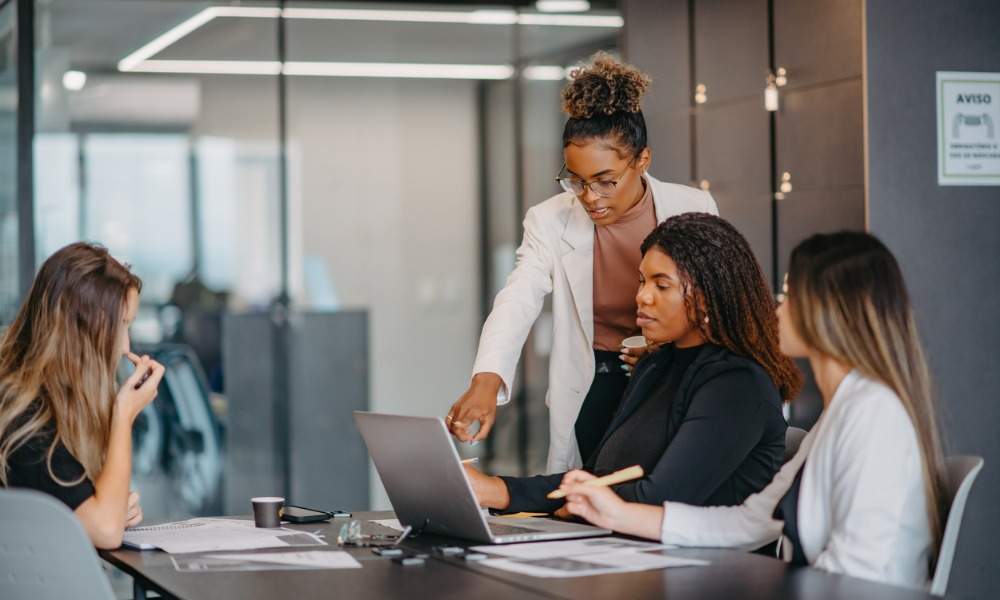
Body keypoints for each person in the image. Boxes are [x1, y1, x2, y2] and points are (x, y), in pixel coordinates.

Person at [558, 231, 948, 590]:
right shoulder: (844, 411)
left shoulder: (874, 415)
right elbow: (750, 521)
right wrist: (612, 513)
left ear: (828, 311)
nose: (778, 308)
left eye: (790, 295)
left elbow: (857, 574)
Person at [448, 52, 718, 472]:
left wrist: (667, 343)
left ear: (642, 161)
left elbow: (718, 303)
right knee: (588, 492)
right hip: (596, 378)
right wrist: (487, 379)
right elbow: (517, 298)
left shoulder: (693, 207)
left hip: (673, 375)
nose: (590, 197)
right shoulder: (549, 219)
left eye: (606, 181)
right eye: (576, 180)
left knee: (663, 487)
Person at [465, 213, 802, 515]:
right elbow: (598, 477)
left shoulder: (737, 384)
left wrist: (584, 502)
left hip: (708, 572)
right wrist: (495, 490)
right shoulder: (654, 367)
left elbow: (662, 499)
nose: (641, 296)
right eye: (642, 281)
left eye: (661, 284)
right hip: (631, 554)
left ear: (707, 296)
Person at [0, 242, 165, 549]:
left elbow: (94, 517)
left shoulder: (42, 399)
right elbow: (104, 531)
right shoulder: (24, 417)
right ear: (79, 329)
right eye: (119, 326)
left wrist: (110, 508)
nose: (125, 347)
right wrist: (124, 414)